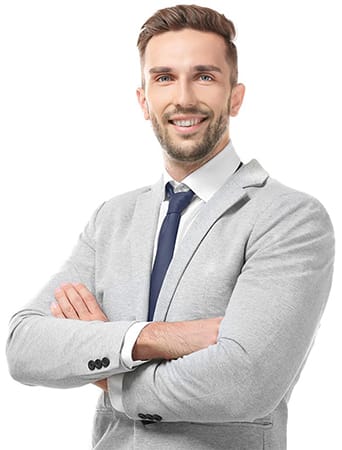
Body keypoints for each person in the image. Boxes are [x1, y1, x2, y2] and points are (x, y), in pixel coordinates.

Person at [6, 4, 334, 450]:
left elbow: (244, 382)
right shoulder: (113, 218)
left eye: (204, 76)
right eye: (163, 78)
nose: (183, 98)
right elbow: (24, 347)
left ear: (235, 96)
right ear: (144, 101)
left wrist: (105, 371)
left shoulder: (289, 217)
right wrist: (151, 339)